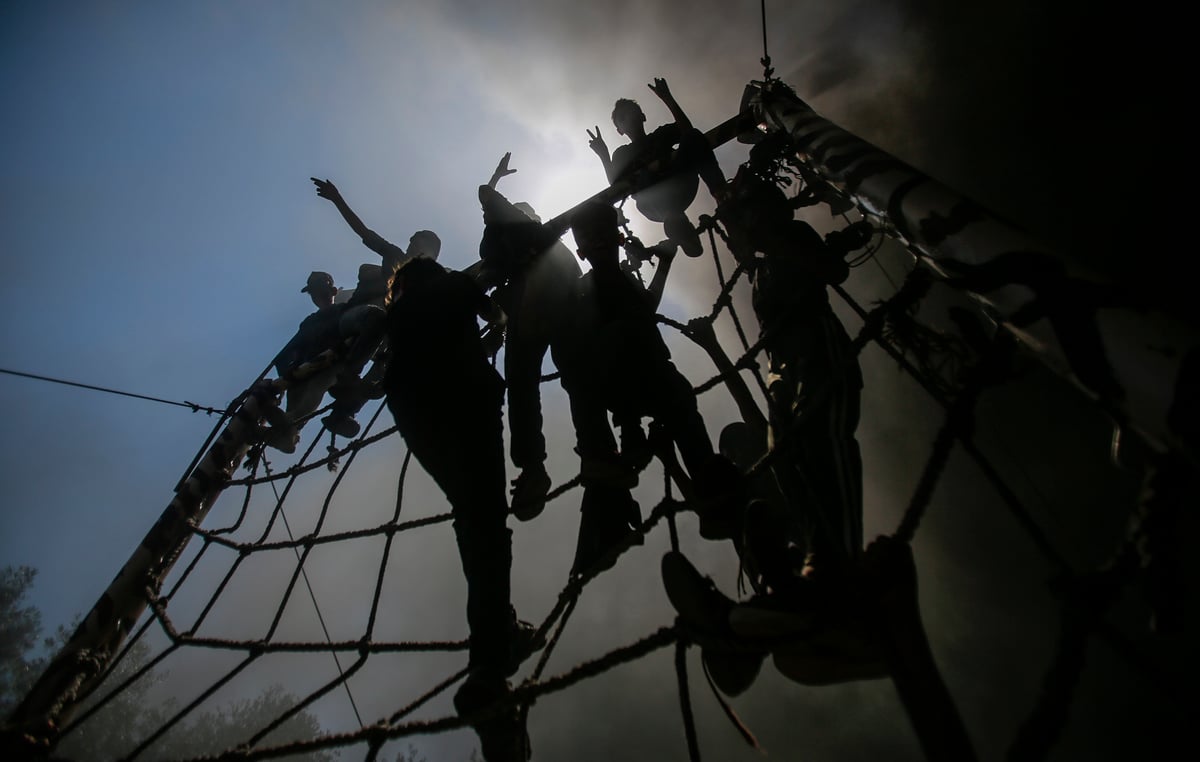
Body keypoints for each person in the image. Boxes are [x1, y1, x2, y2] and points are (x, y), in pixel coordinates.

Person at [382, 256, 537, 762]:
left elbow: (384, 362)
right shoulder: (455, 284)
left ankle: (495, 646)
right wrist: (494, 332)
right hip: (466, 395)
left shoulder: (397, 313)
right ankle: (489, 665)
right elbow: (497, 316)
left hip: (412, 408)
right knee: (484, 518)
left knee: (474, 513)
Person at [661, 538, 979, 762]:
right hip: (862, 622)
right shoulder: (794, 659)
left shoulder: (793, 658)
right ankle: (730, 626)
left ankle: (730, 627)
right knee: (764, 632)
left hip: (857, 620)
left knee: (760, 626)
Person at [559, 201, 740, 540]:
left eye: (605, 237)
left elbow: (645, 308)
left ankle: (713, 499)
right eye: (596, 240)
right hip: (633, 381)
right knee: (680, 409)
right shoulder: (585, 290)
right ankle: (707, 492)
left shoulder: (607, 283)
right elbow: (639, 315)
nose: (603, 244)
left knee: (684, 413)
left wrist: (665, 265)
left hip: (648, 380)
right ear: (584, 251)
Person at [717, 166, 865, 585]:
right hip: (778, 365)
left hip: (815, 346)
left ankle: (839, 558)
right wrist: (728, 207)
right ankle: (810, 550)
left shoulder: (791, 237)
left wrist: (775, 241)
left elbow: (833, 271)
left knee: (823, 440)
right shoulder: (760, 267)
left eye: (750, 214)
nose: (744, 225)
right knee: (783, 455)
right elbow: (739, 240)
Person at [473, 153, 582, 520]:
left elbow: (486, 195)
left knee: (533, 380)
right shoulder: (515, 243)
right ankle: (586, 449)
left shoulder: (521, 232)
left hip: (543, 301)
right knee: (560, 375)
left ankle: (539, 465)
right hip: (544, 302)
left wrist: (496, 181)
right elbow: (487, 199)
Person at [310, 177, 442, 434]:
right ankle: (348, 375)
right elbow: (363, 231)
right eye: (417, 244)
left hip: (383, 332)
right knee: (378, 318)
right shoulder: (395, 256)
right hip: (355, 320)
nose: (419, 251)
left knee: (392, 363)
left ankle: (343, 413)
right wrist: (337, 199)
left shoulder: (428, 284)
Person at [587, 78, 726, 257]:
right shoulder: (622, 154)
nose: (628, 117)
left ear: (643, 116)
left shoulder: (661, 135)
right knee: (643, 179)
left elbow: (687, 130)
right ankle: (679, 229)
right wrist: (604, 155)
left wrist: (668, 99)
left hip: (680, 185)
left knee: (693, 136)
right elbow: (616, 185)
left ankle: (722, 193)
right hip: (652, 203)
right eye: (622, 118)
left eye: (632, 112)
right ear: (619, 131)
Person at [264, 270, 385, 452]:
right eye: (314, 293)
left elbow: (370, 307)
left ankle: (342, 400)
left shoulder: (344, 311)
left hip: (338, 363)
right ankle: (287, 430)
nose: (318, 296)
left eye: (322, 290)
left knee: (376, 322)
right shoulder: (309, 323)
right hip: (310, 367)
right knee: (307, 395)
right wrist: (286, 377)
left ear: (334, 291)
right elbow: (288, 353)